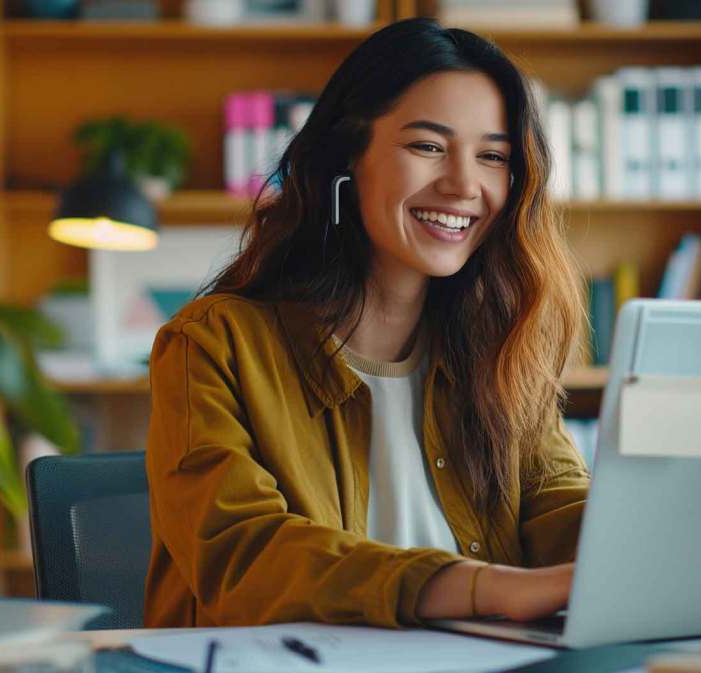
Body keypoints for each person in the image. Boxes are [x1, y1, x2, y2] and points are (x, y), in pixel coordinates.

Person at [144, 17, 589, 629]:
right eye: (427, 146)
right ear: (344, 160)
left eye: (493, 157)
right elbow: (242, 555)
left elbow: (559, 502)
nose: (464, 184)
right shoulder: (213, 344)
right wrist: (484, 589)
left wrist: (661, 535)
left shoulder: (496, 346)